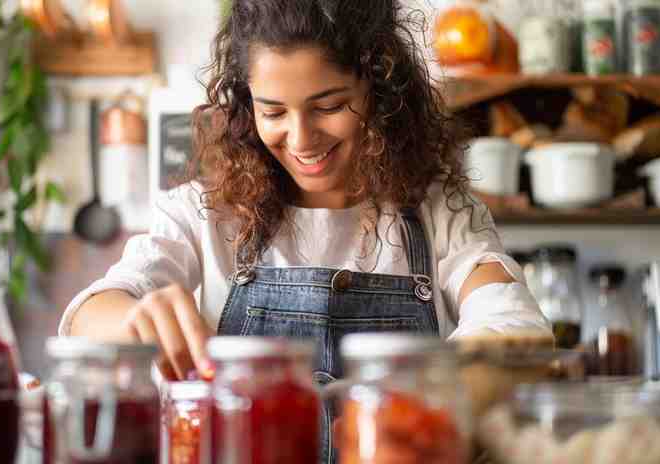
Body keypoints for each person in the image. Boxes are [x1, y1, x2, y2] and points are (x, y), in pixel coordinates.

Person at [61, 0, 550, 396]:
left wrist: (421, 399)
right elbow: (88, 316)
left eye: (330, 106)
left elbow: (513, 324)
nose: (301, 140)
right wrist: (132, 317)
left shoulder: (440, 212)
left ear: (379, 89)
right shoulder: (201, 213)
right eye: (272, 112)